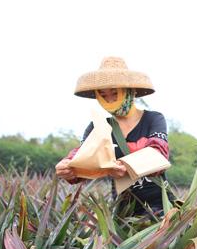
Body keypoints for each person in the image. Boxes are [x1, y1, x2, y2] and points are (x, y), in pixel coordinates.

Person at [55, 56, 170, 216]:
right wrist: (68, 167)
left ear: (130, 90)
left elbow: (158, 154)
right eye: (103, 95)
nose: (110, 100)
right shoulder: (97, 126)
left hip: (160, 208)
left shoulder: (153, 118)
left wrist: (125, 166)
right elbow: (82, 156)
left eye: (115, 93)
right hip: (122, 211)